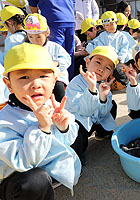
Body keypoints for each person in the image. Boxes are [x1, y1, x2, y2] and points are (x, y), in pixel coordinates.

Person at [0, 43, 81, 199]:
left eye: (43, 76)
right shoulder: (5, 120)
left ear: (54, 80)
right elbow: (22, 162)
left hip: (43, 163)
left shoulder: (49, 104)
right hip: (13, 178)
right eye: (24, 77)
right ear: (9, 84)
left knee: (78, 135)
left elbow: (67, 140)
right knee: (36, 181)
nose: (36, 84)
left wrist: (63, 127)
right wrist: (42, 128)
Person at [65, 46, 118, 165]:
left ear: (110, 74)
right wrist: (92, 89)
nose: (101, 69)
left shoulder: (103, 85)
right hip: (81, 122)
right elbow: (85, 111)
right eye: (98, 62)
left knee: (112, 105)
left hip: (96, 120)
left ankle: (102, 133)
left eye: (107, 68)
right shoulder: (76, 83)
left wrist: (103, 97)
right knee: (77, 137)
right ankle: (77, 156)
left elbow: (104, 113)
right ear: (87, 62)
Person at [24, 13, 71, 102]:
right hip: (35, 77)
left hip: (55, 77)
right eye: (30, 37)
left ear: (47, 33)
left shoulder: (54, 47)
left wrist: (56, 63)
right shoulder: (26, 48)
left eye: (38, 37)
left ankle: (61, 107)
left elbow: (67, 59)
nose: (34, 40)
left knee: (58, 89)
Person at [28, 0, 76, 80]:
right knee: (68, 54)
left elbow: (33, 7)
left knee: (55, 54)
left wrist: (37, 22)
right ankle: (68, 83)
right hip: (69, 18)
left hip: (52, 19)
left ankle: (58, 82)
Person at [86, 11, 129, 85]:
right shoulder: (102, 36)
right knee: (96, 68)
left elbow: (124, 48)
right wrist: (88, 46)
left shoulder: (122, 36)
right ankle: (97, 84)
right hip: (104, 58)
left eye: (112, 24)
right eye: (107, 25)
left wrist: (120, 58)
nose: (110, 27)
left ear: (116, 23)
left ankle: (127, 82)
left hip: (116, 59)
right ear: (104, 26)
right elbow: (95, 45)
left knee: (118, 71)